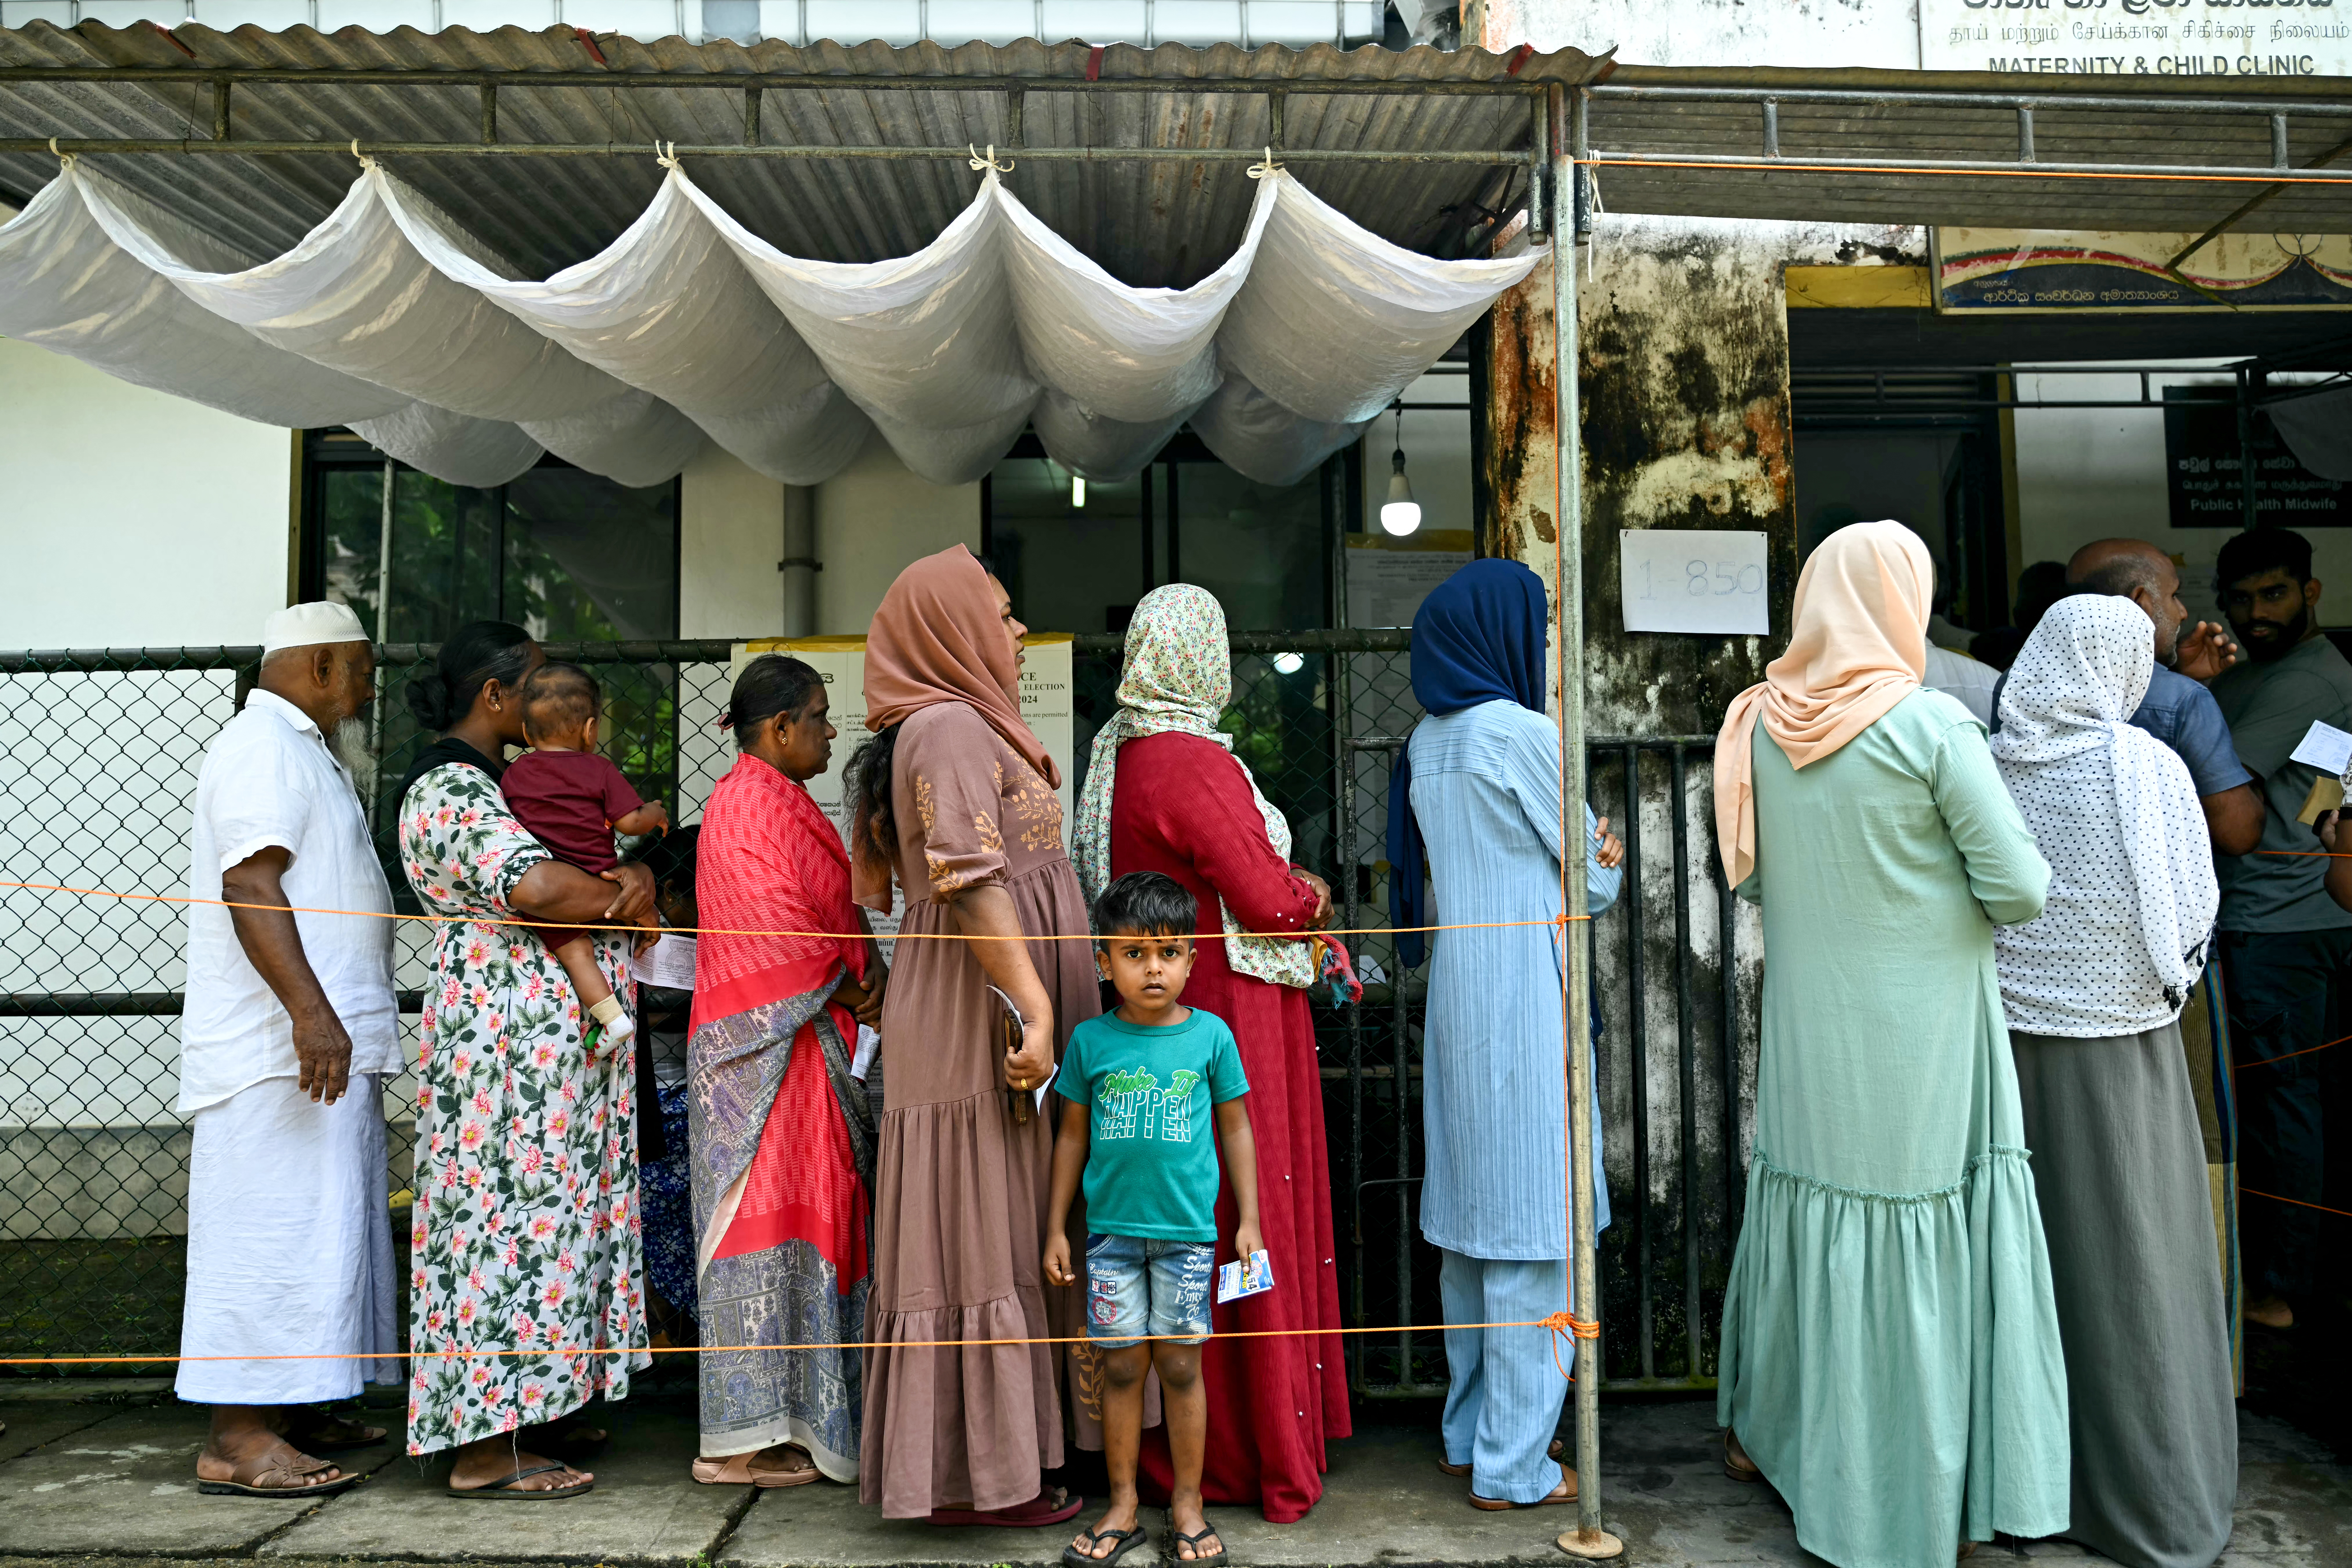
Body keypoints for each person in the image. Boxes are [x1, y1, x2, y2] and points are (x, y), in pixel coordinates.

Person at [1712, 521, 2068, 1566]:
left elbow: (1755, 877)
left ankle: (1779, 1438)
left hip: (1808, 1028)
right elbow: (2018, 887)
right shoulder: (1931, 726)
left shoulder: (1759, 726)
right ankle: (1897, 1497)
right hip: (1919, 1030)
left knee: (1810, 1195)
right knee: (1915, 1215)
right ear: (1898, 602)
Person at [1069, 582, 1349, 1525]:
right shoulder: (1185, 760)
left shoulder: (1127, 756)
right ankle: (1250, 1447)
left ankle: (1210, 1443)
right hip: (1227, 1019)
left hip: (1177, 1016)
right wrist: (1307, 892)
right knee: (1238, 1205)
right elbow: (1265, 898)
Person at [850, 545, 1099, 1525]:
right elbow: (968, 878)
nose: (1017, 629)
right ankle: (971, 1479)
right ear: (950, 628)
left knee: (1008, 1223)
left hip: (995, 1001)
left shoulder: (970, 724)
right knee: (972, 1230)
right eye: (999, 612)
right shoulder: (949, 726)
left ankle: (1018, 1457)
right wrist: (1035, 1007)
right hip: (975, 1014)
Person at [1990, 595, 2236, 1568]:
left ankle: (2026, 1484)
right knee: (2137, 1263)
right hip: (2123, 1047)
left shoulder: (1986, 758)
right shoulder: (2140, 764)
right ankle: (2154, 1500)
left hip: (2002, 1050)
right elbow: (2188, 906)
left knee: (2029, 1269)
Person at [395, 622, 660, 1498]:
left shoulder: (508, 781)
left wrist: (634, 878)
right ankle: (481, 1444)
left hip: (549, 1048)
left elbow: (583, 858)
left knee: (551, 1222)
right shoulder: (448, 785)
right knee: (498, 1225)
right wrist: (627, 893)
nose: (552, 697)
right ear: (494, 694)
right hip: (505, 1051)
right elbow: (538, 886)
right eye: (537, 681)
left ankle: (539, 1403)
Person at [1386, 559, 1626, 1513]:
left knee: (1471, 1231)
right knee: (1535, 1227)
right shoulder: (1522, 732)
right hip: (1527, 990)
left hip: (1458, 997)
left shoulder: (1424, 737)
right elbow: (1591, 878)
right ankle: (1514, 1463)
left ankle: (1465, 1432)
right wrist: (1602, 848)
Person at [177, 602, 398, 1497]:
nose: (370, 683)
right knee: (268, 1234)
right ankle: (237, 1435)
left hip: (314, 1049)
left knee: (323, 1231)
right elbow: (250, 880)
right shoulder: (261, 744)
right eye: (361, 667)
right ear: (317, 666)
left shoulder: (302, 745)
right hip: (279, 1052)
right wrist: (310, 1013)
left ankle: (301, 1398)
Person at [687, 654, 887, 1487]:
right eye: (819, 713)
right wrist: (857, 986)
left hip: (808, 1055)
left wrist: (857, 983)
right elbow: (779, 943)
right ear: (778, 729)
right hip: (758, 1064)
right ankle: (734, 1441)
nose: (831, 729)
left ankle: (798, 1421)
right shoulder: (743, 808)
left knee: (818, 1223)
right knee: (759, 1229)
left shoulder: (782, 802)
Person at [1045, 872, 1261, 1568]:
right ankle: (1124, 1506)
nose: (1153, 969)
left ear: (1192, 959)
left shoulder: (1211, 1038)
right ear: (1104, 963)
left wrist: (1248, 1221)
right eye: (1134, 955)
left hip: (1189, 1241)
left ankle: (1189, 1507)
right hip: (1110, 1238)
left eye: (1167, 953)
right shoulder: (1089, 1043)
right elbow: (1071, 1138)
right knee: (1120, 1369)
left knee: (1178, 1364)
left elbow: (1236, 1131)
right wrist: (1057, 1226)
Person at [2208, 526, 2352, 1333]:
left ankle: (2276, 1286)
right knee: (2276, 1100)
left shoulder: (2303, 682)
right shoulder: (2279, 675)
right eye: (2238, 597)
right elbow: (2322, 791)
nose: (2253, 612)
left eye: (2272, 594)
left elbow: (2216, 790)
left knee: (2277, 1105)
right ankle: (2280, 1277)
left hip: (2277, 926)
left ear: (2310, 591)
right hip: (2281, 913)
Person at [1989, 539, 2261, 854]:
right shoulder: (2183, 700)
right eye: (2174, 596)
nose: (2183, 612)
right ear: (2141, 602)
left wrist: (2171, 671)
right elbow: (2239, 834)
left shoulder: (2017, 683)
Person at [500, 662, 671, 1047]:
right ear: (591, 730)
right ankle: (620, 1011)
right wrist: (655, 812)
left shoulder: (514, 774)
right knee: (618, 936)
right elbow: (629, 822)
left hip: (552, 884)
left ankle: (610, 1021)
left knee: (577, 954)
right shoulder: (599, 769)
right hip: (601, 876)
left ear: (527, 731)